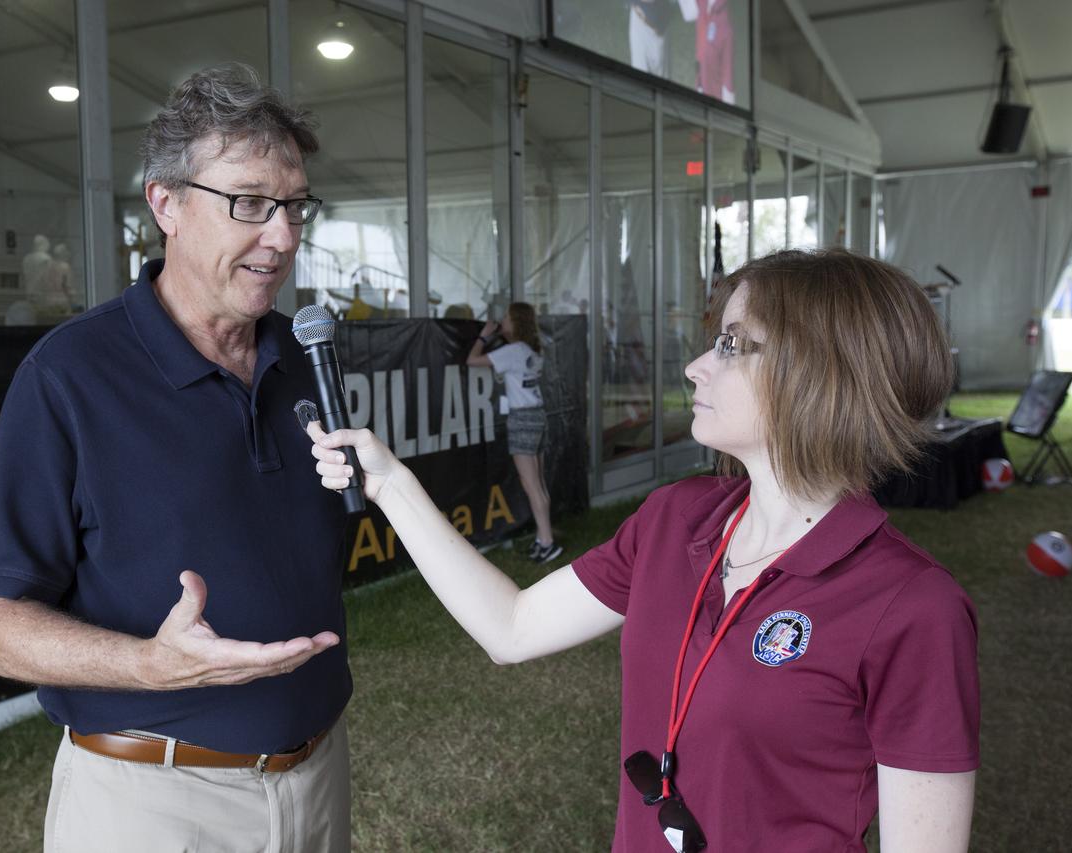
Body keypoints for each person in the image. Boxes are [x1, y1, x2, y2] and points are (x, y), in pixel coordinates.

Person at [309, 249, 978, 852]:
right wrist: (390, 484)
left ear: (821, 375)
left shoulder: (912, 606)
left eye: (732, 345)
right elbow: (512, 627)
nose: (696, 366)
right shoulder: (675, 519)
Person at [0, 64, 352, 853]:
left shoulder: (308, 357)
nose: (282, 237)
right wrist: (149, 664)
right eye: (249, 203)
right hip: (154, 803)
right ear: (165, 203)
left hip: (317, 778)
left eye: (294, 206)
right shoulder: (70, 376)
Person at [467, 302, 561, 563]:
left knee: (531, 485)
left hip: (522, 419)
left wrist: (484, 336)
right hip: (538, 416)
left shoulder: (512, 352)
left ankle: (547, 542)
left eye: (507, 318)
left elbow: (471, 360)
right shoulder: (532, 350)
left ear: (516, 322)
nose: (502, 321)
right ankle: (543, 538)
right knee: (538, 484)